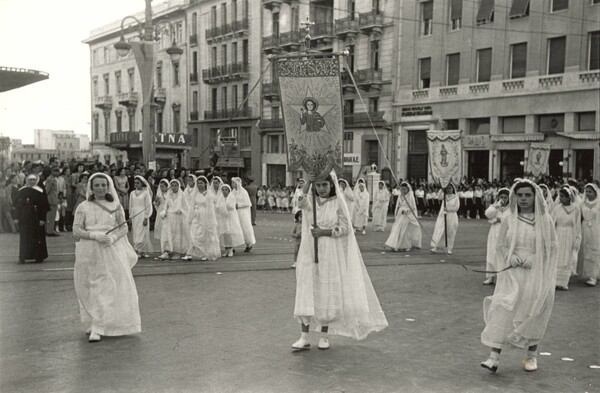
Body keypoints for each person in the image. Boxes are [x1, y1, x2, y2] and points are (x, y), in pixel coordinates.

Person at [292, 171, 388, 351]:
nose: (321, 189)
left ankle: (324, 335)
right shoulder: (310, 201)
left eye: (324, 185)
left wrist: (325, 232)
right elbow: (300, 202)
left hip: (328, 250)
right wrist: (309, 183)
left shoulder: (337, 203)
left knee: (326, 291)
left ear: (331, 185)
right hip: (308, 250)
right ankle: (304, 336)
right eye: (318, 185)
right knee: (306, 289)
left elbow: (345, 228)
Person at [480, 179, 558, 373]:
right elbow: (500, 245)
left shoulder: (544, 220)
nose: (523, 199)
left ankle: (532, 357)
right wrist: (510, 256)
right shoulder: (509, 218)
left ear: (535, 197)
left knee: (533, 310)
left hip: (534, 272)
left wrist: (535, 258)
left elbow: (551, 247)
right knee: (504, 309)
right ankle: (494, 357)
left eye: (527, 195)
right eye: (520, 195)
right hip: (513, 272)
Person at [73, 173, 141, 343]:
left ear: (108, 186)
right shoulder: (83, 206)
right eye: (97, 185)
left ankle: (99, 326)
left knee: (107, 287)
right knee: (90, 286)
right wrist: (95, 235)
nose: (101, 188)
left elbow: (123, 228)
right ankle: (96, 320)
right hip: (90, 250)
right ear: (91, 187)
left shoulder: (116, 205)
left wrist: (112, 238)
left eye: (104, 185)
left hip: (111, 250)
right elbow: (76, 229)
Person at [183, 176, 221, 261]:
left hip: (206, 216)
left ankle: (205, 253)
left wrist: (210, 220)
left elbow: (210, 207)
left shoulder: (209, 194)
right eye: (198, 183)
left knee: (205, 235)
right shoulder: (194, 194)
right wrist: (190, 217)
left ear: (205, 184)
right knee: (193, 233)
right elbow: (191, 206)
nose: (199, 185)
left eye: (201, 183)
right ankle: (190, 253)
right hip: (196, 216)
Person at [14, 174, 50, 263]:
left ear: (36, 180)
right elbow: (17, 206)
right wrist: (16, 217)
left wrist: (42, 218)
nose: (32, 181)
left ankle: (38, 256)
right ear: (26, 180)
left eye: (34, 179)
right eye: (30, 180)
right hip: (24, 218)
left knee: (37, 237)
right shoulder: (21, 191)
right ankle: (22, 257)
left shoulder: (40, 191)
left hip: (36, 217)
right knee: (24, 238)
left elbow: (43, 207)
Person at [551, 187, 581, 290]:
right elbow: (552, 222)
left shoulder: (576, 209)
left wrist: (577, 237)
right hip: (559, 233)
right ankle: (555, 281)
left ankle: (564, 282)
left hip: (570, 234)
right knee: (558, 256)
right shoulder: (557, 208)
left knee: (567, 257)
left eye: (563, 197)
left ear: (569, 197)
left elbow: (577, 224)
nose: (560, 199)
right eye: (560, 196)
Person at [483, 188, 510, 285]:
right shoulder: (495, 206)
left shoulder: (512, 208)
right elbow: (488, 214)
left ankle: (501, 276)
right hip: (495, 231)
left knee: (502, 254)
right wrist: (496, 206)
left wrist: (500, 219)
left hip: (506, 232)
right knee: (492, 252)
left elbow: (511, 219)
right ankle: (491, 276)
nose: (503, 199)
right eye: (501, 197)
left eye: (505, 197)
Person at [384, 182, 422, 252]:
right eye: (402, 189)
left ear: (408, 189)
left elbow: (413, 207)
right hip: (400, 214)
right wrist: (397, 212)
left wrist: (407, 211)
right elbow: (398, 205)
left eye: (405, 189)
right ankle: (394, 244)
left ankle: (407, 245)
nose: (403, 191)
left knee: (405, 231)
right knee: (397, 229)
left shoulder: (410, 196)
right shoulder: (400, 196)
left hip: (407, 215)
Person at [158, 180, 190, 260]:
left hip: (178, 217)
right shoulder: (169, 195)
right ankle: (167, 251)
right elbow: (166, 206)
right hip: (169, 216)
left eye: (176, 185)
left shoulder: (182, 195)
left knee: (177, 235)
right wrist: (164, 212)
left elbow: (186, 206)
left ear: (178, 186)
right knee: (167, 234)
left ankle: (177, 252)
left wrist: (181, 210)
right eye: (172, 185)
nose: (174, 187)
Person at [216, 184, 245, 257]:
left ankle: (230, 249)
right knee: (225, 233)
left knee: (230, 233)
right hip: (223, 217)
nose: (224, 191)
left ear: (229, 190)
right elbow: (217, 206)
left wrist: (223, 207)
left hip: (230, 217)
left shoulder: (231, 197)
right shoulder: (220, 198)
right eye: (223, 190)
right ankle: (226, 249)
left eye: (226, 190)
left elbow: (231, 206)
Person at [431, 184, 460, 254]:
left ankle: (449, 248)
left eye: (450, 188)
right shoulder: (444, 196)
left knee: (450, 232)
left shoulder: (456, 197)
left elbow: (456, 208)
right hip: (442, 216)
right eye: (447, 189)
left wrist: (448, 209)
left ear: (453, 189)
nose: (448, 190)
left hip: (451, 216)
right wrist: (442, 189)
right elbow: (439, 197)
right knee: (439, 229)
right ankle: (435, 246)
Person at [129, 175, 154, 259]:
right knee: (136, 231)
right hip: (134, 215)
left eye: (138, 183)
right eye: (135, 183)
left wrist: (146, 217)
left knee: (142, 231)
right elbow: (131, 205)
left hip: (142, 214)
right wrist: (130, 215)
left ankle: (140, 250)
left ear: (142, 183)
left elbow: (148, 205)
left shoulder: (146, 193)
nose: (136, 184)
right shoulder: (132, 193)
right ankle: (137, 249)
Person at [580, 183, 600, 286]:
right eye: (586, 191)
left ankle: (594, 275)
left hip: (596, 228)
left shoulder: (599, 203)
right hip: (585, 228)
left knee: (595, 250)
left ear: (595, 192)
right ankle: (588, 274)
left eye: (590, 192)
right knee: (586, 250)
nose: (588, 194)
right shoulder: (583, 203)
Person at [232, 177, 256, 252]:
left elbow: (247, 203)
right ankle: (232, 245)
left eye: (233, 183)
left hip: (242, 213)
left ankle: (248, 243)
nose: (232, 184)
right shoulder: (232, 192)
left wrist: (238, 205)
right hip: (234, 213)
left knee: (244, 228)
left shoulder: (243, 192)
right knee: (234, 228)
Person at [153, 179, 170, 243]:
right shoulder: (159, 194)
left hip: (167, 212)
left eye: (163, 186)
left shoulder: (169, 194)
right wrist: (156, 201)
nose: (161, 188)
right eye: (160, 187)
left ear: (167, 186)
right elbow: (156, 205)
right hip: (160, 212)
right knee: (161, 228)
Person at [45, 166, 60, 236]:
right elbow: (47, 189)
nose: (58, 173)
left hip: (54, 198)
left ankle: (51, 230)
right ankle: (49, 231)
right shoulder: (50, 179)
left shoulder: (53, 179)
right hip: (51, 199)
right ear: (53, 171)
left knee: (52, 216)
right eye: (57, 171)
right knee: (50, 216)